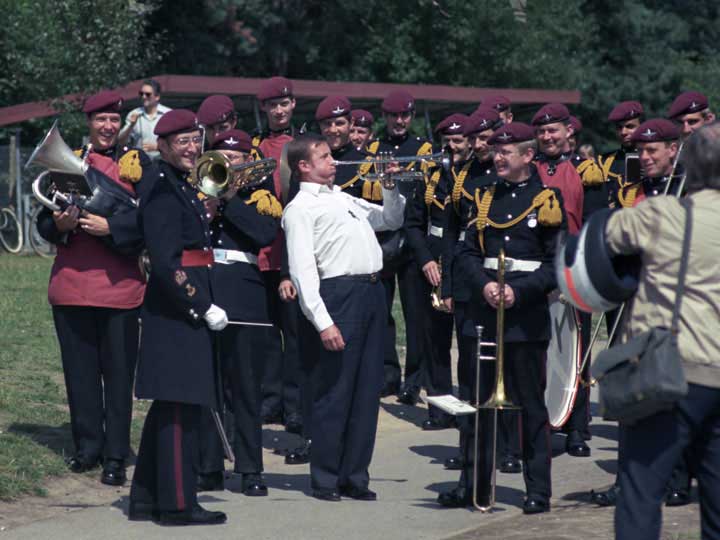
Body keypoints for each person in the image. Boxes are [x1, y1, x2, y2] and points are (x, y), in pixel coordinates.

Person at [438, 122, 564, 514]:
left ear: (528, 156)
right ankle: (473, 484)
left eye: (506, 152)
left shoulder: (546, 198)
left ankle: (537, 489)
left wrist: (519, 291)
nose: (497, 157)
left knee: (530, 404)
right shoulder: (482, 195)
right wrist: (483, 286)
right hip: (485, 309)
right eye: (496, 150)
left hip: (524, 316)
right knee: (476, 403)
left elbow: (556, 263)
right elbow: (468, 252)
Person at [608, 122, 720, 540]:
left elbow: (599, 242)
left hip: (675, 371)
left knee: (639, 492)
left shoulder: (661, 213)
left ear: (686, 165)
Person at [36, 90, 151, 487]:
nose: (107, 127)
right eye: (100, 120)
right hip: (71, 287)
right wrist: (60, 226)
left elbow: (153, 223)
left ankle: (116, 454)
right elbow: (43, 220)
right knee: (80, 373)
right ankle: (88, 447)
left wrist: (111, 228)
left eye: (113, 120)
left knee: (119, 376)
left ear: (121, 124)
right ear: (89, 123)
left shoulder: (138, 166)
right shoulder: (69, 163)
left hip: (121, 289)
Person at [281, 133, 405, 501]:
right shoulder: (300, 209)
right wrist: (323, 322)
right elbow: (303, 273)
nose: (333, 161)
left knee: (367, 391)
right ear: (304, 166)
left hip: (370, 293)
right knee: (334, 392)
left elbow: (390, 219)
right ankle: (325, 477)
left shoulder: (343, 196)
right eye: (324, 156)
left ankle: (355, 476)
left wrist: (391, 186)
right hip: (338, 297)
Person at [128, 109, 227, 525]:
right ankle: (177, 504)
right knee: (179, 409)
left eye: (194, 140)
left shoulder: (178, 185)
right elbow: (167, 264)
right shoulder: (163, 190)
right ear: (163, 146)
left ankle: (149, 498)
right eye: (182, 142)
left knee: (174, 407)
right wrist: (200, 304)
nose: (191, 149)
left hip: (183, 308)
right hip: (176, 312)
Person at [591, 119, 690, 509]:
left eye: (653, 150)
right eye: (641, 151)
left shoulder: (687, 191)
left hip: (674, 306)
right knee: (632, 395)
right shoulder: (631, 192)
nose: (645, 157)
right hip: (635, 304)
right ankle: (627, 479)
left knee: (672, 395)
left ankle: (677, 479)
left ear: (672, 150)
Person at [195, 129, 282, 496]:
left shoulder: (260, 196)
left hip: (246, 300)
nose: (230, 164)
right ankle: (208, 467)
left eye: (237, 158)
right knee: (208, 388)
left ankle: (250, 469)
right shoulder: (197, 195)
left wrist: (229, 201)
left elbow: (265, 235)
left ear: (250, 161)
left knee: (246, 390)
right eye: (223, 159)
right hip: (206, 293)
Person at [533, 103, 596, 458]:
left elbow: (592, 223)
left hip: (574, 269)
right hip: (538, 272)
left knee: (577, 351)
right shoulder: (529, 169)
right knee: (541, 351)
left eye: (553, 130)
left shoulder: (585, 171)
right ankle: (542, 421)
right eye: (542, 131)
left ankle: (577, 428)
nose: (547, 137)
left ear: (568, 131)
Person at [439, 106, 501, 471]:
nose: (479, 145)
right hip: (465, 283)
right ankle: (468, 448)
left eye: (485, 138)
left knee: (500, 370)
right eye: (475, 138)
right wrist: (447, 283)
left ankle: (506, 448)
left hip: (499, 280)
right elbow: (451, 232)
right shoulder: (463, 176)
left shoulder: (511, 174)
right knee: (467, 371)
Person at [404, 113, 471, 431]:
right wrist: (425, 261)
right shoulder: (429, 175)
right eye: (447, 142)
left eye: (459, 141)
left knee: (468, 342)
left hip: (464, 261)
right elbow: (414, 223)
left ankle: (466, 410)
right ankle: (439, 408)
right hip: (431, 262)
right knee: (434, 343)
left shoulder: (476, 176)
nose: (452, 147)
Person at [253, 77, 304, 438]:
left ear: (293, 105)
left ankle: (296, 405)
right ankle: (269, 400)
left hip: (295, 250)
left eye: (284, 103)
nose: (279, 110)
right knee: (267, 335)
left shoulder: (305, 144)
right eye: (272, 105)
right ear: (265, 109)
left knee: (296, 334)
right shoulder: (254, 146)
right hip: (262, 250)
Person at [376, 89, 433, 402]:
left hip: (412, 239)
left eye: (405, 115)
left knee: (415, 313)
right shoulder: (374, 147)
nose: (399, 121)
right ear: (384, 117)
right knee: (383, 312)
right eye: (393, 116)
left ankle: (414, 379)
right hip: (383, 238)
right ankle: (388, 374)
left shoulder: (422, 147)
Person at [317, 96, 378, 201]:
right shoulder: (310, 161)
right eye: (327, 124)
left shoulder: (369, 163)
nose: (333, 130)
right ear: (320, 126)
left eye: (339, 123)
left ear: (351, 123)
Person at [599, 100, 644, 207]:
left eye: (630, 127)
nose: (623, 132)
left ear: (642, 126)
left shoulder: (651, 159)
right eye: (619, 128)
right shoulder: (605, 162)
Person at [118, 79, 170, 159]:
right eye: (141, 94)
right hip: (139, 163)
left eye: (148, 94)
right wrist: (131, 126)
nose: (143, 97)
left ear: (157, 97)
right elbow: (120, 142)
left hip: (163, 161)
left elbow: (176, 142)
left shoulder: (168, 114)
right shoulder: (133, 114)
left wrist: (158, 147)